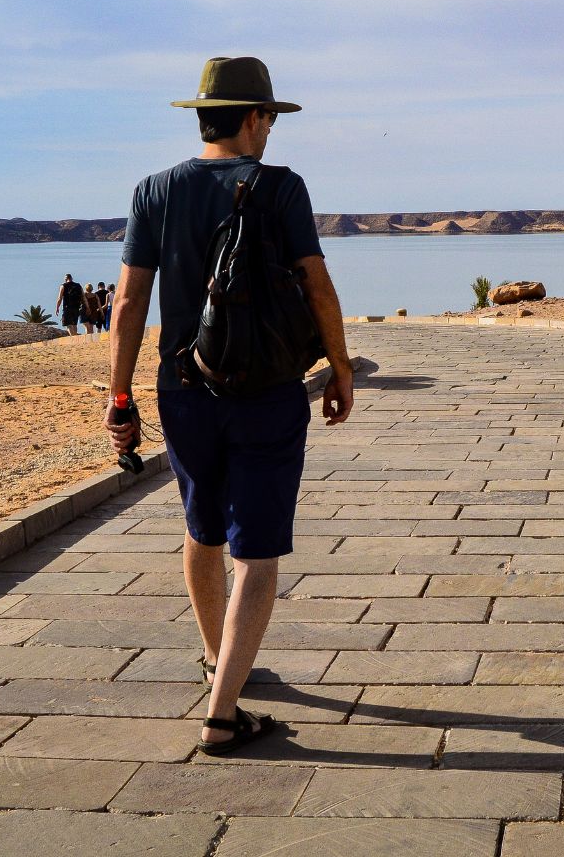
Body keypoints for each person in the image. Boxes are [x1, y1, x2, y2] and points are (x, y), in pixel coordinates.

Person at [106, 55, 352, 758]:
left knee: (202, 528)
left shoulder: (155, 190)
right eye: (269, 117)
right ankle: (221, 715)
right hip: (267, 392)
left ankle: (223, 663)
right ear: (251, 117)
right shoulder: (281, 189)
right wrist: (339, 368)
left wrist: (120, 395)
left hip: (184, 390)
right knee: (259, 551)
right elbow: (318, 287)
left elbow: (127, 304)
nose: (270, 129)